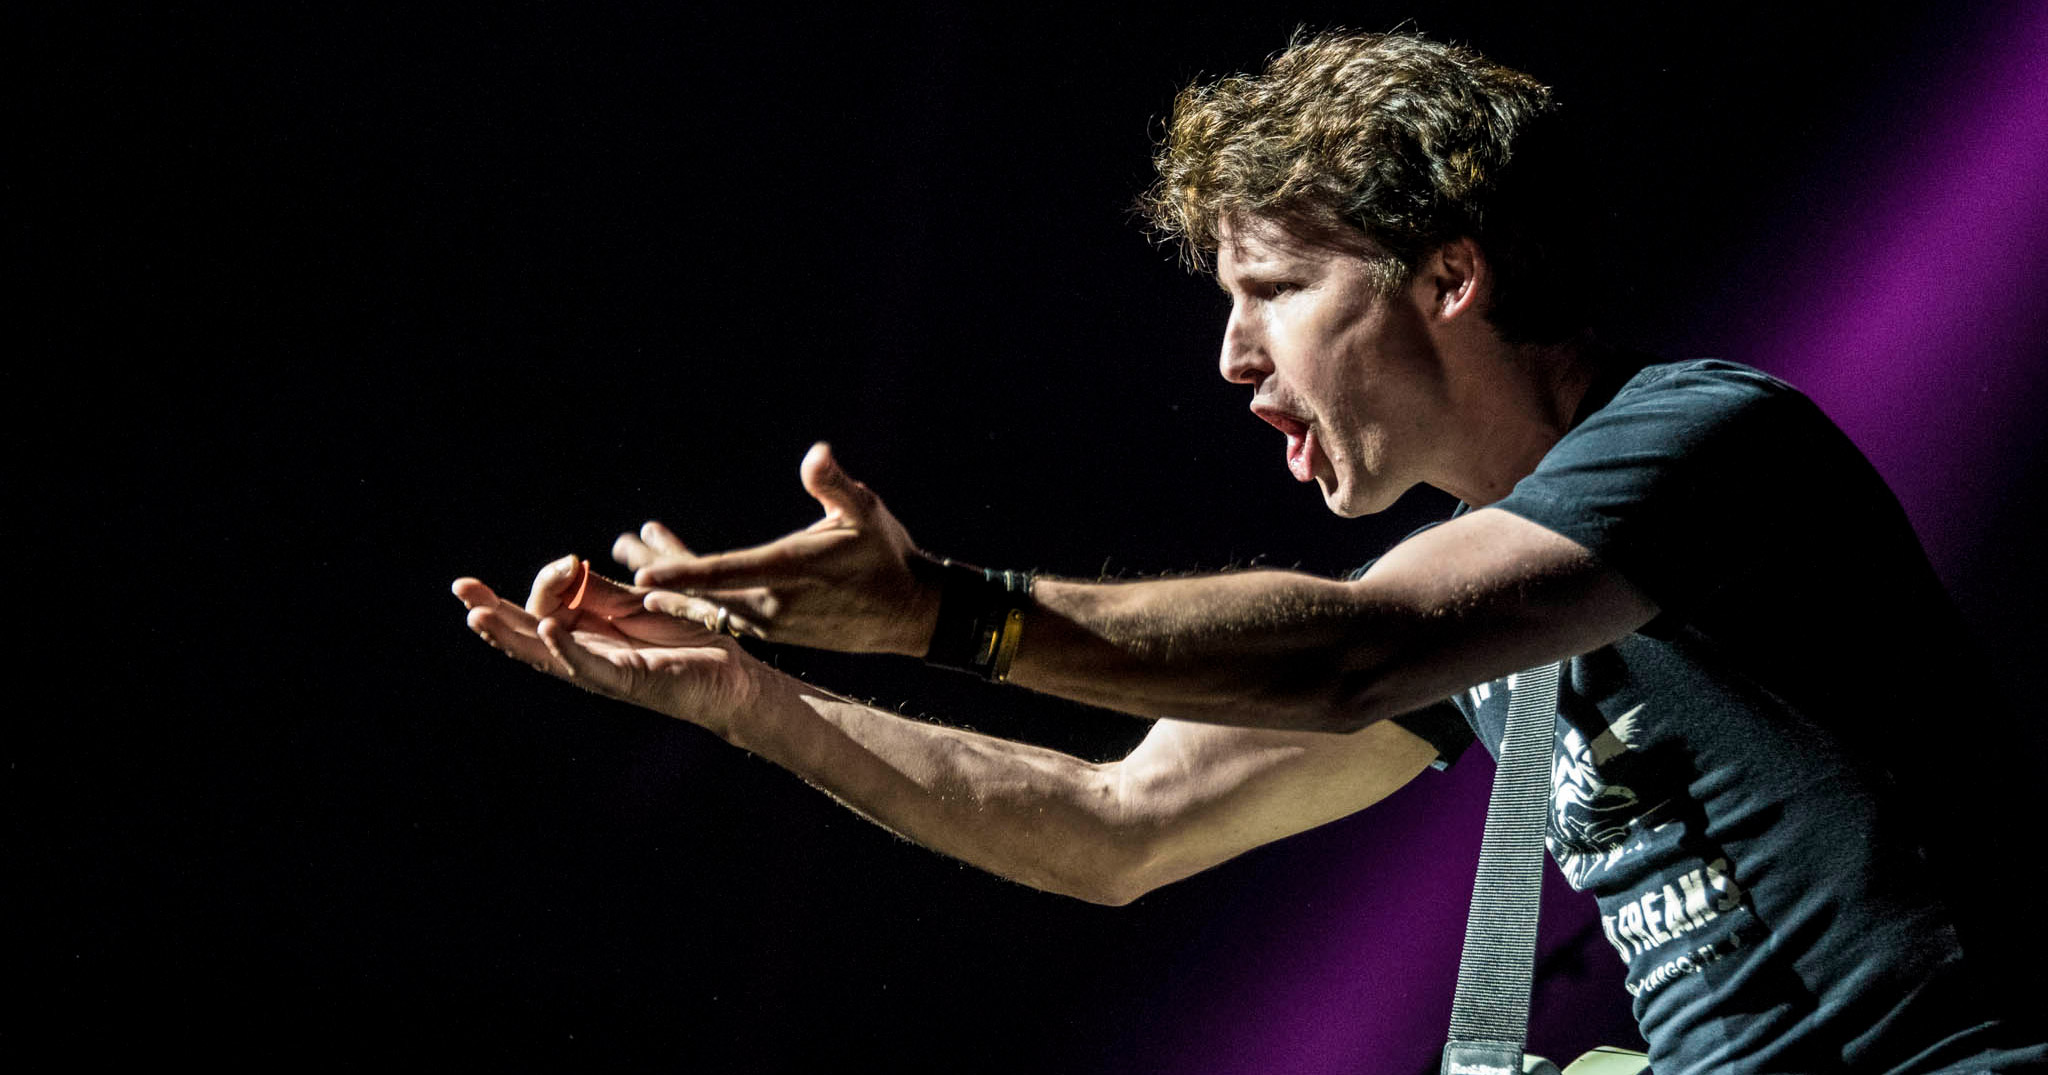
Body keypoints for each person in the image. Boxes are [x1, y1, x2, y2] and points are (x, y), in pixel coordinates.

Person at [452, 31, 2045, 1075]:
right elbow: (1116, 821)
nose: (1229, 359)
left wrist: (950, 611)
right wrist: (758, 707)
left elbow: (1348, 652)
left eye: (1272, 290)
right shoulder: (1492, 626)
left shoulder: (1705, 444)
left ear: (1451, 276)